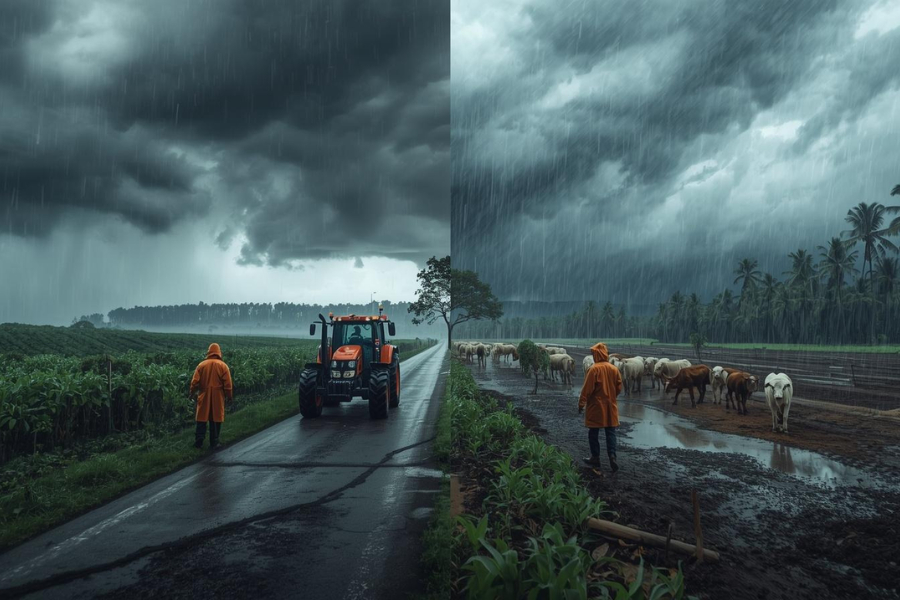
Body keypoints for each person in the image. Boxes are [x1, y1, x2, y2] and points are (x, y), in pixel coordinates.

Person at [578, 342, 623, 472]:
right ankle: (612, 456)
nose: (592, 355)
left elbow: (586, 389)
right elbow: (619, 387)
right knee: (610, 432)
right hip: (610, 406)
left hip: (596, 406)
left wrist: (581, 404)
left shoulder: (593, 369)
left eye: (593, 353)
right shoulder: (614, 369)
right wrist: (612, 396)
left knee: (593, 432)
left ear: (597, 354)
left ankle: (595, 457)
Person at [190, 343, 233, 450]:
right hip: (218, 395)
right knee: (216, 418)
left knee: (201, 418)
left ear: (208, 352)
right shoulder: (223, 366)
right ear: (219, 352)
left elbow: (194, 382)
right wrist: (229, 396)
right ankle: (214, 442)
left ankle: (199, 440)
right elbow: (228, 385)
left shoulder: (201, 365)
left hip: (203, 394)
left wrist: (192, 393)